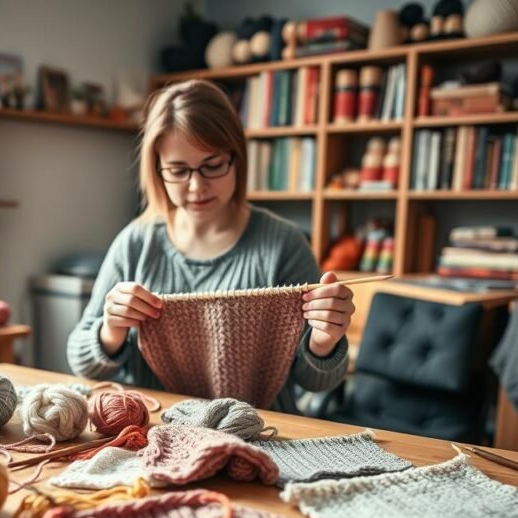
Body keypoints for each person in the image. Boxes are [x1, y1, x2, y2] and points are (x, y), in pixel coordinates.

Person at [68, 79, 354, 413]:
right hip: (156, 436)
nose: (196, 186)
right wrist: (111, 330)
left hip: (261, 436)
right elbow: (82, 363)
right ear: (157, 170)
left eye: (213, 165)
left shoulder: (283, 244)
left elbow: (317, 381)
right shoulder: (136, 244)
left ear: (237, 157)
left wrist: (325, 339)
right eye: (178, 170)